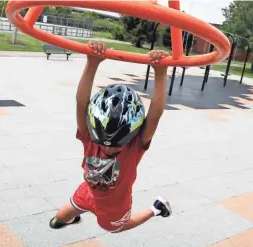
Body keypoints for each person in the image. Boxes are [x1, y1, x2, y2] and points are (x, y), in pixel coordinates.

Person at [49, 41, 172, 233]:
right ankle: (75, 217)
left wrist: (160, 73)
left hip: (116, 205)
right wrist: (92, 62)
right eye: (103, 143)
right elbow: (81, 104)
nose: (108, 149)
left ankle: (156, 209)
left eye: (116, 146)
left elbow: (155, 114)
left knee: (115, 229)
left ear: (131, 136)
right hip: (88, 191)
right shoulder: (90, 136)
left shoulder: (136, 146)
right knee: (59, 218)